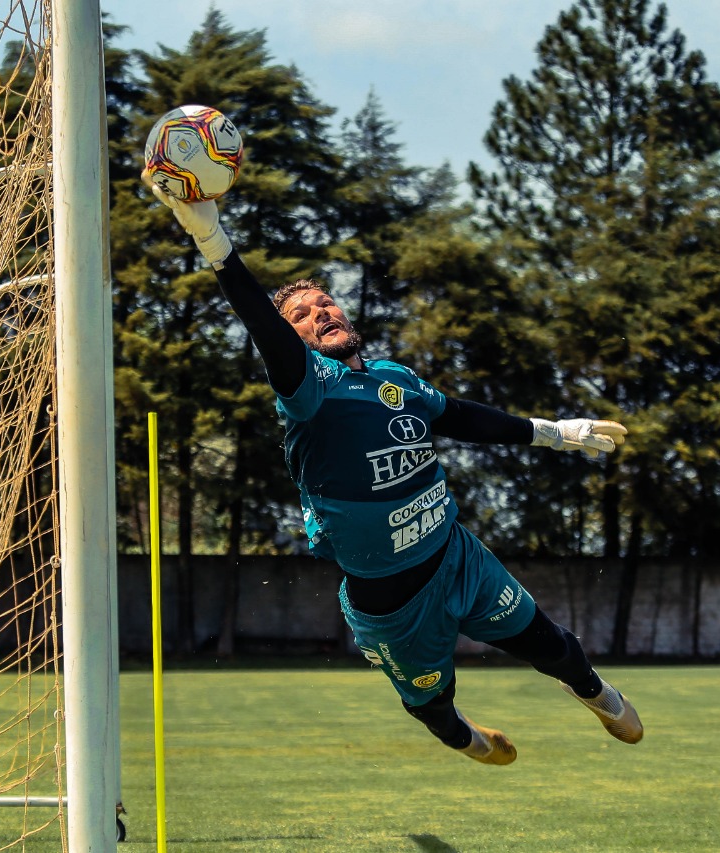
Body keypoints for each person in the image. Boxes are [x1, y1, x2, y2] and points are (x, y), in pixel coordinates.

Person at [148, 182, 643, 765]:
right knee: (434, 711)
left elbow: (458, 415)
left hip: (458, 558)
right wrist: (213, 238)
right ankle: (467, 738)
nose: (319, 313)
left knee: (553, 645)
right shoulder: (308, 389)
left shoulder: (397, 379)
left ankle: (594, 692)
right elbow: (262, 324)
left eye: (325, 303)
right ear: (296, 338)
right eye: (302, 316)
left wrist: (555, 432)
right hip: (392, 603)